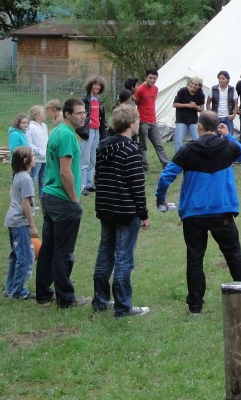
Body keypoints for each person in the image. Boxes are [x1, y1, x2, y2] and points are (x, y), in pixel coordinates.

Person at [156, 111, 241, 314]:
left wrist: (160, 198)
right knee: (234, 255)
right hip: (222, 212)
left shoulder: (187, 149)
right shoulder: (228, 146)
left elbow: (166, 176)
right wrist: (229, 135)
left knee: (195, 259)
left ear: (199, 127)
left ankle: (195, 305)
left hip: (194, 214)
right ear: (217, 127)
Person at [93, 104, 152, 317]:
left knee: (105, 254)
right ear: (130, 124)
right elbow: (137, 186)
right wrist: (144, 214)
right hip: (126, 211)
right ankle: (123, 306)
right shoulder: (131, 150)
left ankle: (100, 301)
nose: (139, 123)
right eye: (137, 120)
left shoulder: (102, 147)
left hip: (106, 208)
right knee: (124, 258)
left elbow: (98, 178)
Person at [36, 98, 90, 308]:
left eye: (84, 112)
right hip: (62, 199)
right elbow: (65, 172)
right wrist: (74, 200)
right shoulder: (67, 135)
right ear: (67, 114)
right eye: (78, 113)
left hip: (49, 195)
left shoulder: (57, 130)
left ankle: (43, 293)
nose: (83, 116)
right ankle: (66, 298)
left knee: (48, 248)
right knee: (63, 252)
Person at [3, 146, 37, 300]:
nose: (35, 158)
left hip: (12, 220)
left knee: (15, 256)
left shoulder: (18, 175)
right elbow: (25, 204)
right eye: (33, 156)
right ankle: (18, 291)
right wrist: (32, 225)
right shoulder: (26, 179)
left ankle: (10, 288)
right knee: (25, 257)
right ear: (25, 160)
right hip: (20, 222)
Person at [135, 69, 170, 172]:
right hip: (143, 121)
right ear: (145, 77)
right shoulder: (140, 89)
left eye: (154, 78)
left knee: (159, 144)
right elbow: (135, 103)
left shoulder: (155, 89)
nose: (152, 80)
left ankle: (166, 165)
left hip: (153, 121)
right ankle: (144, 167)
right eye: (150, 78)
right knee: (143, 146)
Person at [79, 76, 107, 195]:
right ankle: (82, 185)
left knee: (92, 159)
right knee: (84, 159)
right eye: (95, 84)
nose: (97, 87)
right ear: (90, 85)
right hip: (88, 131)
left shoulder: (98, 101)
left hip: (96, 131)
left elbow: (102, 117)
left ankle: (89, 183)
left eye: (99, 85)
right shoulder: (84, 100)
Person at [172, 77, 206, 153]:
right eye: (192, 83)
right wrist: (187, 105)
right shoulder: (182, 91)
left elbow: (201, 109)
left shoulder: (201, 94)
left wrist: (195, 106)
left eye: (196, 85)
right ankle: (178, 158)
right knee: (178, 141)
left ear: (199, 86)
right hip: (181, 119)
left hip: (193, 120)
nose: (193, 85)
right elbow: (174, 104)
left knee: (197, 140)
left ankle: (198, 156)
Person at [207, 70, 239, 136]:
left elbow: (236, 104)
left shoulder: (232, 89)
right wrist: (210, 114)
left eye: (223, 78)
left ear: (228, 79)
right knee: (215, 137)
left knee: (229, 137)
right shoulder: (213, 89)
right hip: (216, 117)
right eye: (220, 78)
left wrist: (234, 114)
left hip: (228, 117)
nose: (221, 80)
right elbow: (208, 103)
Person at [27, 105, 49, 197]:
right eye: (43, 113)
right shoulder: (30, 127)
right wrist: (39, 152)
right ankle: (29, 198)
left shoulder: (44, 126)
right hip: (36, 158)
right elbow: (29, 144)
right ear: (37, 116)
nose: (45, 114)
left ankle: (42, 197)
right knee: (33, 178)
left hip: (45, 157)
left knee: (43, 179)